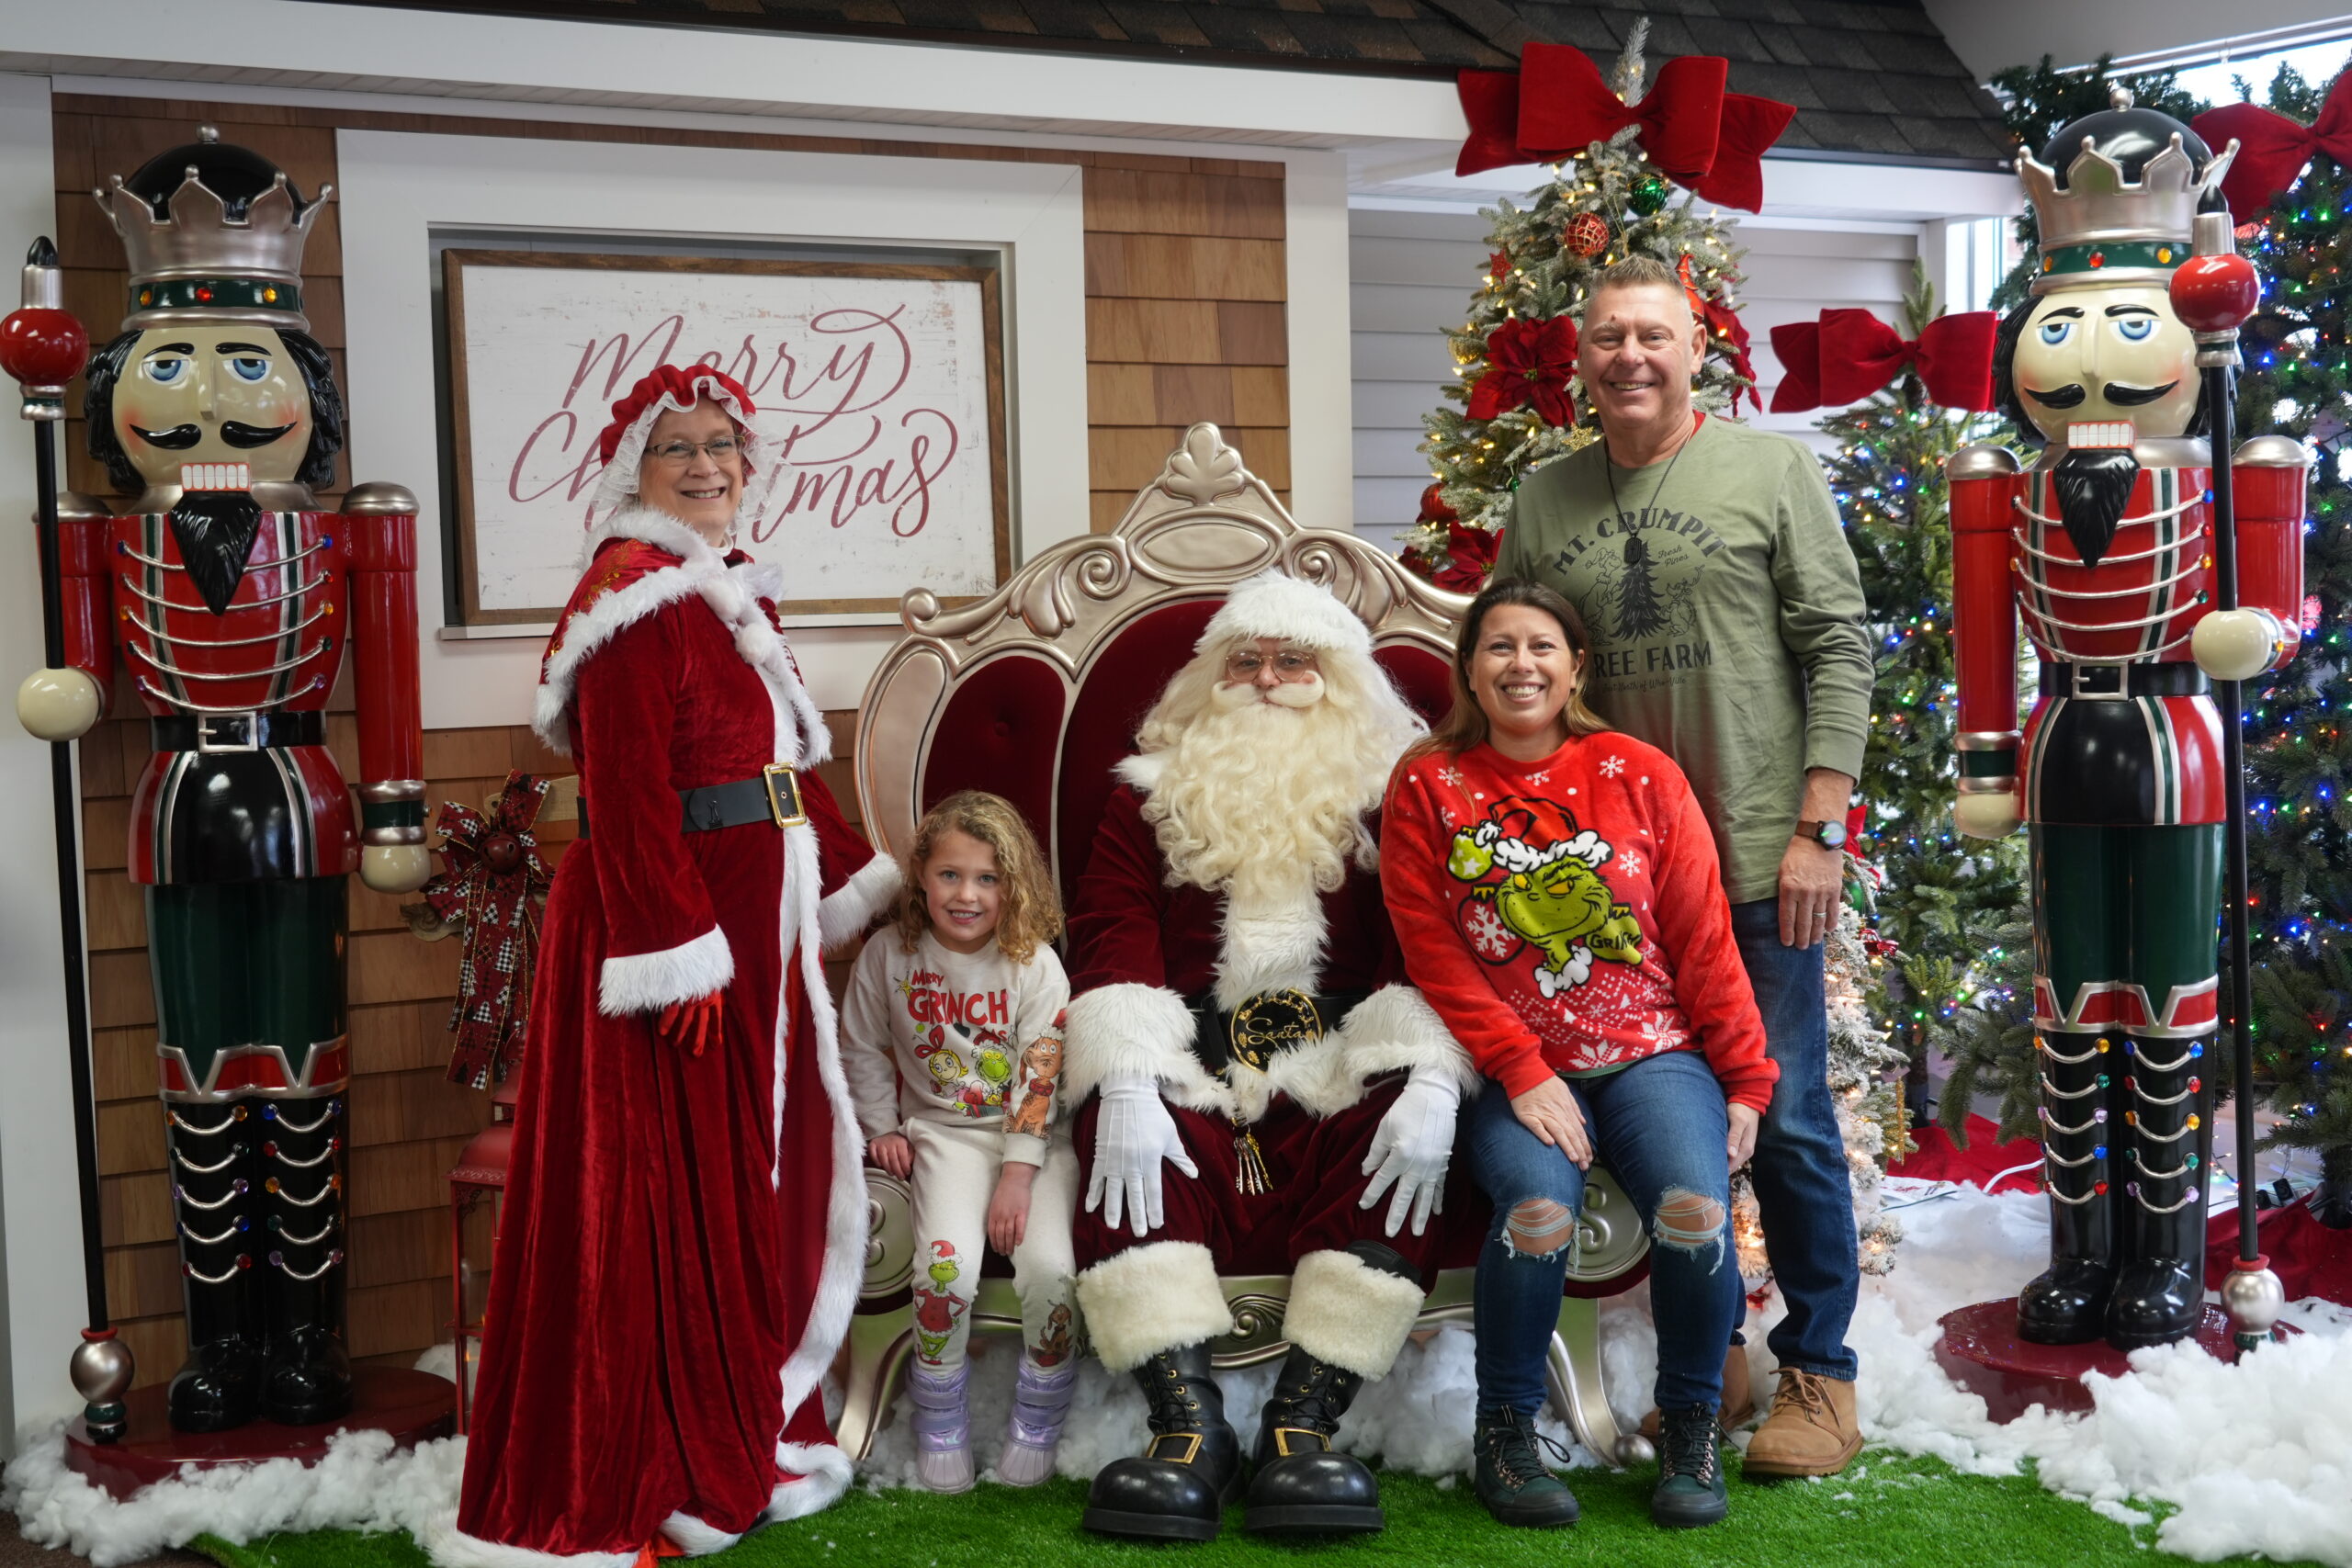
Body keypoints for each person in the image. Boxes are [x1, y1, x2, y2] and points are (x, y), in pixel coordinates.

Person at [453, 365, 899, 1566]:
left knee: (748, 1164)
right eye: (677, 448)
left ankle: (747, 1400)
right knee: (669, 1182)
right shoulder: (633, 592)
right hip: (677, 930)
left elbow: (783, 768)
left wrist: (866, 882)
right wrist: (674, 951)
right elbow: (627, 790)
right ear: (633, 473)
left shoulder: (722, 588)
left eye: (721, 445)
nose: (706, 466)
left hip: (752, 921)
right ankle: (657, 1442)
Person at [20, 130, 424, 1433]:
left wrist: (397, 808)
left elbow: (392, 679)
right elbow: (85, 671)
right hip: (179, 805)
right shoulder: (98, 530)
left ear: (307, 389)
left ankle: (307, 1332)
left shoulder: (355, 523)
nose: (207, 396)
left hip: (302, 799)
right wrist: (69, 686)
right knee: (198, 1071)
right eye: (170, 363)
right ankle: (220, 1337)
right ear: (113, 391)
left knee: (306, 1065)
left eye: (248, 363)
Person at [1492, 253, 1875, 1476]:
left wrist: (1820, 825)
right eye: (1609, 337)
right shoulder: (1546, 498)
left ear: (1696, 348)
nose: (1631, 357)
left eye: (1653, 335)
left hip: (1760, 859)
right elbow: (1524, 664)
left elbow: (1838, 643)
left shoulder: (1769, 469)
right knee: (1665, 1134)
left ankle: (1820, 1371)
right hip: (1612, 885)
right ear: (1581, 356)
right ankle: (1718, 1365)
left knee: (1791, 1117)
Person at [1061, 571, 1477, 1542]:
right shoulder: (1146, 796)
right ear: (1208, 678)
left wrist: (1428, 1072)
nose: (1264, 678)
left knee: (1400, 1128)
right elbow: (1112, 934)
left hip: (1337, 1064)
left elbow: (1427, 943)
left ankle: (1302, 1424)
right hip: (1192, 1062)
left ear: (1340, 681)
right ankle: (1187, 1428)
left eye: (1293, 661)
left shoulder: (1396, 799)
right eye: (1244, 660)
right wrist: (1127, 1073)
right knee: (1126, 1125)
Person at [1382, 577, 1777, 1530]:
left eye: (1541, 647)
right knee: (1537, 1213)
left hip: (1652, 1053)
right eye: (1499, 646)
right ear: (1469, 668)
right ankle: (1507, 1437)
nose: (1520, 665)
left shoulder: (1639, 772)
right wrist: (1521, 1070)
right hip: (1512, 1069)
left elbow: (1702, 936)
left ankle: (1690, 1430)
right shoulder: (1428, 783)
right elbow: (1432, 952)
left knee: (1694, 1213)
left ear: (1575, 666)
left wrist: (1744, 1077)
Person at [841, 790, 1080, 1492]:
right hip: (943, 1137)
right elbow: (860, 1044)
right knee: (945, 1269)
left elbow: (1039, 1073)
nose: (966, 894)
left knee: (1051, 1275)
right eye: (950, 874)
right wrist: (883, 1126)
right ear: (921, 874)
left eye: (986, 878)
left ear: (1013, 884)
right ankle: (940, 1417)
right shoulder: (889, 954)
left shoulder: (1035, 964)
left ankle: (1038, 1415)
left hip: (1035, 1146)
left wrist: (1018, 1174)